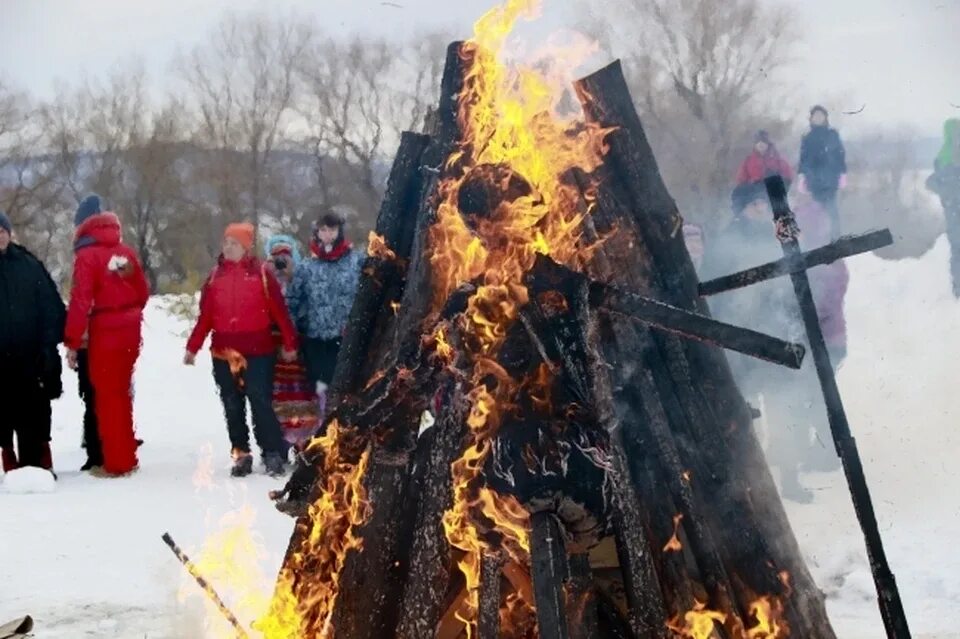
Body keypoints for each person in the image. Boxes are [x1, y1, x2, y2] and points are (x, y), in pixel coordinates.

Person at [704, 183, 847, 503]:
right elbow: (719, 293)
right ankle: (749, 484)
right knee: (744, 416)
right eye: (754, 205)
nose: (761, 211)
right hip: (746, 341)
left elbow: (803, 279)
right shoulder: (727, 242)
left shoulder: (779, 235)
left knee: (786, 410)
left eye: (763, 205)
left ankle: (789, 478)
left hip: (783, 336)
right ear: (741, 209)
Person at [185, 223, 299, 477]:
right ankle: (241, 454)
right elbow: (206, 317)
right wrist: (193, 347)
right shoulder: (215, 276)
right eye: (226, 242)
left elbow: (279, 312)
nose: (228, 247)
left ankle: (271, 452)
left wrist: (290, 343)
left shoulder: (261, 273)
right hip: (224, 352)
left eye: (233, 243)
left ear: (245, 247)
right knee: (232, 403)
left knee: (261, 401)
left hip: (258, 351)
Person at [64, 194, 150, 477]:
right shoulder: (124, 252)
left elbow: (80, 300)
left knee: (107, 398)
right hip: (130, 329)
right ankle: (127, 455)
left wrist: (73, 341)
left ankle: (116, 463)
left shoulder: (86, 257)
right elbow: (142, 293)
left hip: (104, 330)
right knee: (123, 394)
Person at [0, 210, 65, 475]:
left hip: (30, 355)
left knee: (35, 410)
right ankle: (9, 455)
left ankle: (38, 461)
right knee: (3, 411)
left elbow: (50, 306)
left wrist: (49, 344)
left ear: (9, 233)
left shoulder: (28, 264)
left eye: (2, 231)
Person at [286, 211, 362, 419]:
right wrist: (290, 334)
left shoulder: (355, 262)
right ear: (317, 233)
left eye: (332, 230)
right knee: (320, 389)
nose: (327, 235)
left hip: (347, 337)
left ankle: (346, 427)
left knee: (347, 387)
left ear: (340, 232)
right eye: (323, 230)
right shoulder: (306, 267)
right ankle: (322, 428)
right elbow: (291, 301)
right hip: (316, 339)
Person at [264, 234, 319, 449]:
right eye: (276, 255)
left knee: (301, 393)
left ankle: (303, 441)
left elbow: (309, 304)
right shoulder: (264, 276)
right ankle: (280, 442)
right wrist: (268, 272)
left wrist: (292, 276)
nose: (281, 260)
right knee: (277, 396)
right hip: (272, 342)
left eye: (285, 255)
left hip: (297, 342)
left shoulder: (301, 277)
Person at [798, 105, 847, 233]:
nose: (818, 118)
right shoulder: (807, 137)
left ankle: (835, 239)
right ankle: (818, 240)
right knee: (816, 212)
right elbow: (803, 158)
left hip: (830, 178)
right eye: (815, 116)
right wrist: (802, 175)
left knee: (832, 210)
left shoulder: (832, 134)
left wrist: (843, 173)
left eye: (821, 116)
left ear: (825, 118)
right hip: (813, 180)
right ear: (811, 118)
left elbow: (840, 154)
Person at [925, 118, 960, 297]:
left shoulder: (942, 156)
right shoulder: (943, 156)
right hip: (953, 209)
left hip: (952, 209)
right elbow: (932, 182)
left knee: (957, 248)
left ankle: (958, 287)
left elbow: (932, 182)